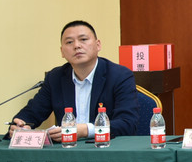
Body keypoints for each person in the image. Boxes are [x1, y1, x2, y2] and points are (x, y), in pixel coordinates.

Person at [9, 20, 140, 141]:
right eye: (69, 42)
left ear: (98, 45)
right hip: (66, 152)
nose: (77, 46)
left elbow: (127, 123)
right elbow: (31, 114)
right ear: (62, 52)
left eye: (83, 39)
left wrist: (84, 130)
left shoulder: (120, 76)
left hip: (106, 149)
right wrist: (20, 126)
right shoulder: (55, 78)